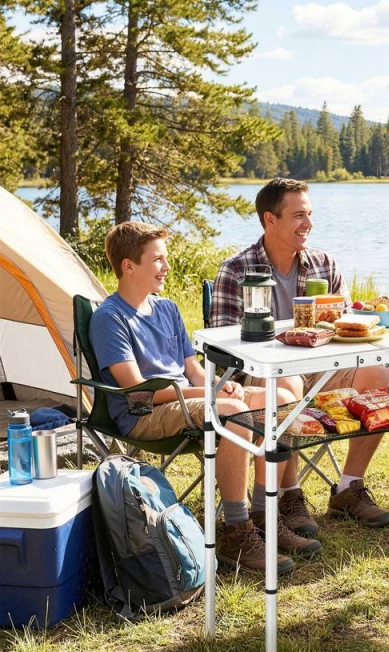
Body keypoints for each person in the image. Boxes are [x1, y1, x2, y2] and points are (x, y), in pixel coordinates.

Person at [89, 222, 310, 577]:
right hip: (144, 412)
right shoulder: (109, 318)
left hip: (187, 401)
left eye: (166, 258)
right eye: (157, 260)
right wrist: (211, 394)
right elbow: (138, 389)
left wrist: (218, 384)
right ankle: (236, 533)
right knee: (235, 412)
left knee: (281, 399)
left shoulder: (167, 309)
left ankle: (263, 514)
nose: (167, 266)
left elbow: (192, 369)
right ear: (128, 266)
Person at [210, 177, 389, 549]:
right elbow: (225, 352)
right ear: (270, 220)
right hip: (261, 377)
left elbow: (349, 328)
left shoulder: (324, 264)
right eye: (298, 216)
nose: (308, 224)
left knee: (383, 374)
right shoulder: (236, 271)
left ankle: (348, 487)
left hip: (322, 367)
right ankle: (289, 494)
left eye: (309, 214)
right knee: (289, 384)